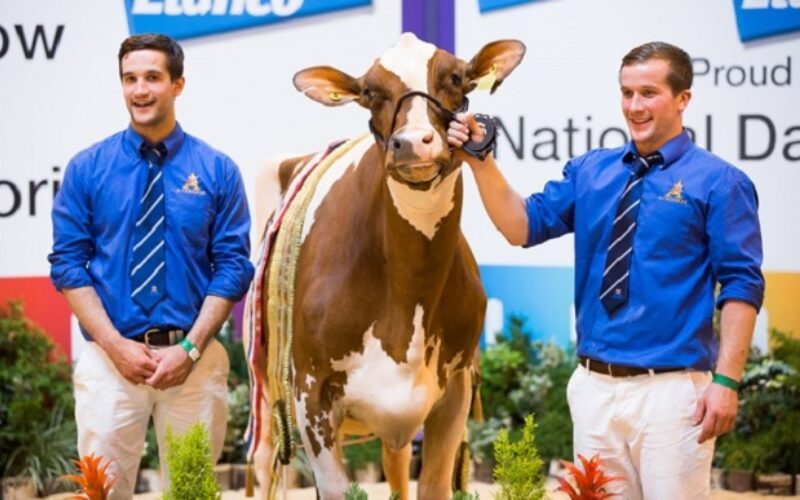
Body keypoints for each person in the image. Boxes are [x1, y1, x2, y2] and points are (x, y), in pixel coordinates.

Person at [449, 41, 764, 499]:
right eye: (627, 93)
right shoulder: (591, 171)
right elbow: (522, 227)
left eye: (649, 93)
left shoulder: (719, 181)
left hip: (674, 393)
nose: (635, 106)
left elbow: (741, 285)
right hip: (594, 390)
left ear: (683, 99)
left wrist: (725, 381)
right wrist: (482, 161)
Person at [49, 33, 254, 498]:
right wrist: (115, 346)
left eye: (152, 78)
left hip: (192, 365)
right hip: (110, 363)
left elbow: (232, 267)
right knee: (103, 493)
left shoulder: (217, 170)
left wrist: (190, 349)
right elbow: (68, 265)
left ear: (178, 84)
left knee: (191, 493)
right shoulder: (88, 169)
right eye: (130, 79)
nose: (140, 90)